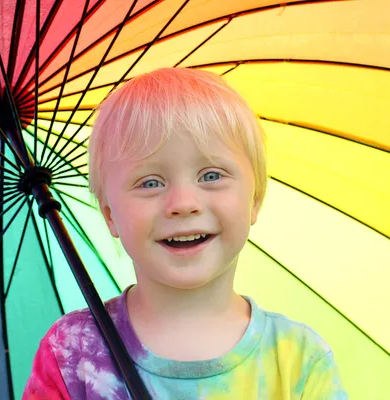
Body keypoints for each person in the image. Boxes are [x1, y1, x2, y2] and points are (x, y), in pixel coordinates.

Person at [23, 68, 348, 399]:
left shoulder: (298, 361)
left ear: (255, 199)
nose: (183, 204)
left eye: (211, 175)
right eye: (150, 182)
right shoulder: (73, 354)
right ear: (110, 215)